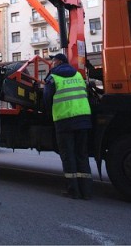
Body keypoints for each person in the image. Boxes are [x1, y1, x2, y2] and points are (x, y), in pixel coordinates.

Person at [43, 53, 93, 200]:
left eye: (53, 60)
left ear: (58, 61)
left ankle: (73, 191)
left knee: (68, 155)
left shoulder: (53, 77)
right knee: (82, 155)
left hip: (64, 120)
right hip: (83, 119)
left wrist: (49, 114)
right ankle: (87, 191)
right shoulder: (78, 75)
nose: (52, 63)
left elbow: (47, 99)